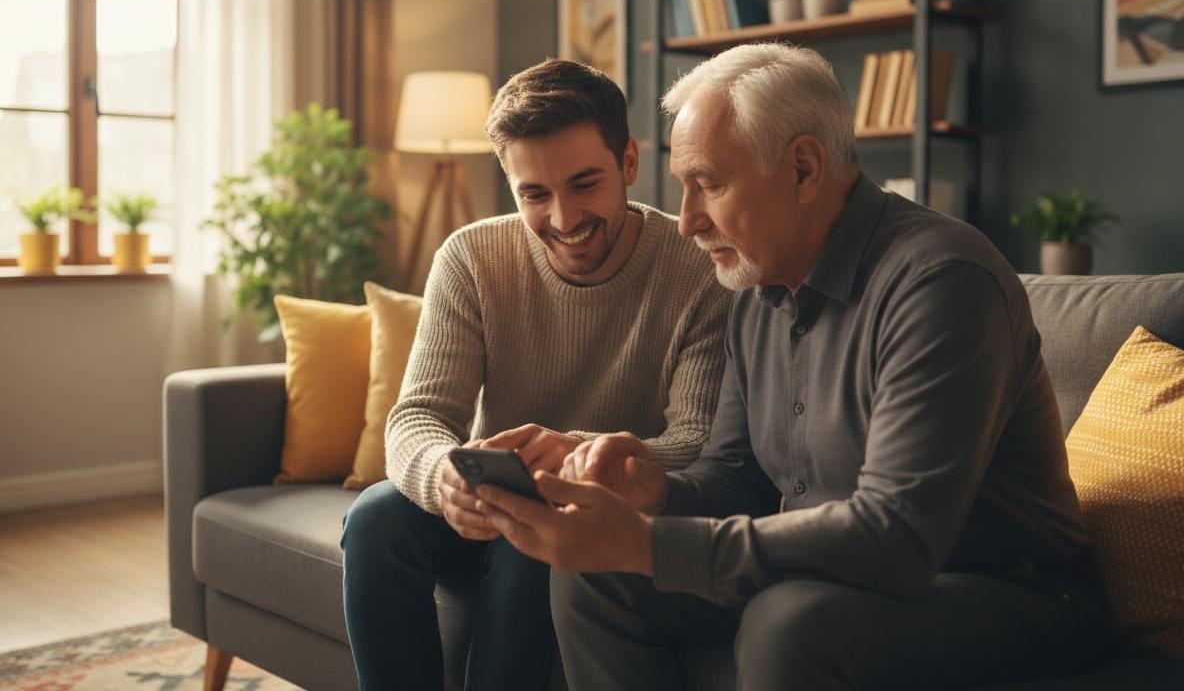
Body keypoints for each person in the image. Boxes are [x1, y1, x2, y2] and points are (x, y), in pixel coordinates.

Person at [474, 43, 1111, 690]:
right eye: (682, 188)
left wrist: (644, 543)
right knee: (594, 580)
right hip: (833, 573)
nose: (687, 221)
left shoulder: (941, 281)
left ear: (804, 168)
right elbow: (738, 475)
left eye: (710, 184)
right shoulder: (753, 287)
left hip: (1004, 592)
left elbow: (898, 537)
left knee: (789, 621)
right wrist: (652, 491)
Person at [339, 58, 730, 691]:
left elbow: (699, 441)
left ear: (629, 162)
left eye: (584, 184)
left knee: (544, 535)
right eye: (534, 194)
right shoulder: (471, 257)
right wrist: (444, 477)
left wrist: (576, 454)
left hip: (600, 511)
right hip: (487, 502)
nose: (564, 217)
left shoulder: (696, 269)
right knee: (376, 517)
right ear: (510, 185)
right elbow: (417, 417)